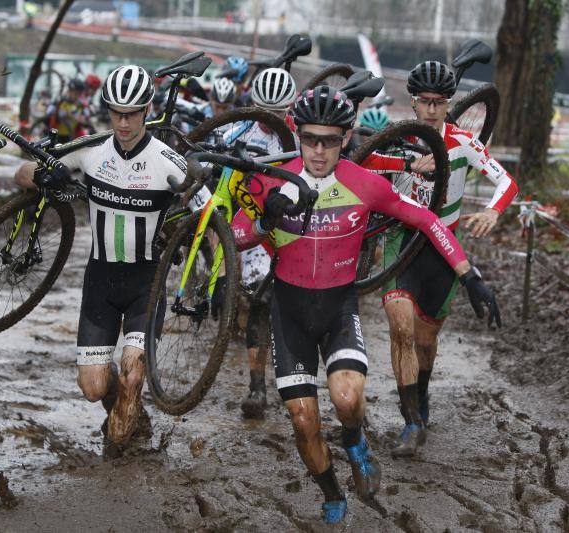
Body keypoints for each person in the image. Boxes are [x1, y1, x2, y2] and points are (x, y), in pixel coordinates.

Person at [230, 85, 500, 523]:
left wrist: (470, 276)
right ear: (297, 133)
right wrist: (264, 220)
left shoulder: (366, 184)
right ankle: (332, 493)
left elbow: (428, 220)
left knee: (347, 397)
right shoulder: (272, 180)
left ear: (347, 136)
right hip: (289, 311)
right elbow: (235, 240)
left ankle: (355, 440)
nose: (319, 151)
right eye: (311, 139)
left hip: (337, 305)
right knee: (303, 421)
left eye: (331, 141)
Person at [14, 65, 210, 446]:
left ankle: (125, 439)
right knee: (92, 387)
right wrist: (42, 177)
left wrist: (212, 281)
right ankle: (127, 407)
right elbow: (20, 172)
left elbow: (209, 219)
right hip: (100, 281)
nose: (123, 122)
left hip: (146, 284)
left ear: (147, 110)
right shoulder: (90, 149)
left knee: (133, 373)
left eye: (132, 113)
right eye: (116, 113)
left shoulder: (167, 160)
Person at [363, 60, 518, 457]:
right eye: (424, 102)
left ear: (449, 104)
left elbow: (506, 180)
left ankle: (423, 395)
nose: (431, 110)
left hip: (444, 245)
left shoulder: (463, 142)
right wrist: (407, 164)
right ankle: (411, 421)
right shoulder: (395, 137)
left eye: (439, 102)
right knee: (400, 328)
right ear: (412, 102)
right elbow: (362, 163)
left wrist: (493, 211)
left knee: (426, 341)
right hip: (402, 240)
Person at [219, 67, 298, 418]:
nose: (271, 120)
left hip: (294, 224)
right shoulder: (236, 128)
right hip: (252, 219)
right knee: (259, 301)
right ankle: (256, 387)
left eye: (278, 114)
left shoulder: (300, 136)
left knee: (296, 307)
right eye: (264, 112)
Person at [45, 78, 92, 143]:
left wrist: (83, 120)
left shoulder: (81, 104)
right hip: (54, 134)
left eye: (79, 94)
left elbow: (87, 119)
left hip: (69, 136)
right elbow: (48, 113)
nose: (77, 96)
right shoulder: (59, 101)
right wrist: (67, 114)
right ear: (69, 91)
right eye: (75, 93)